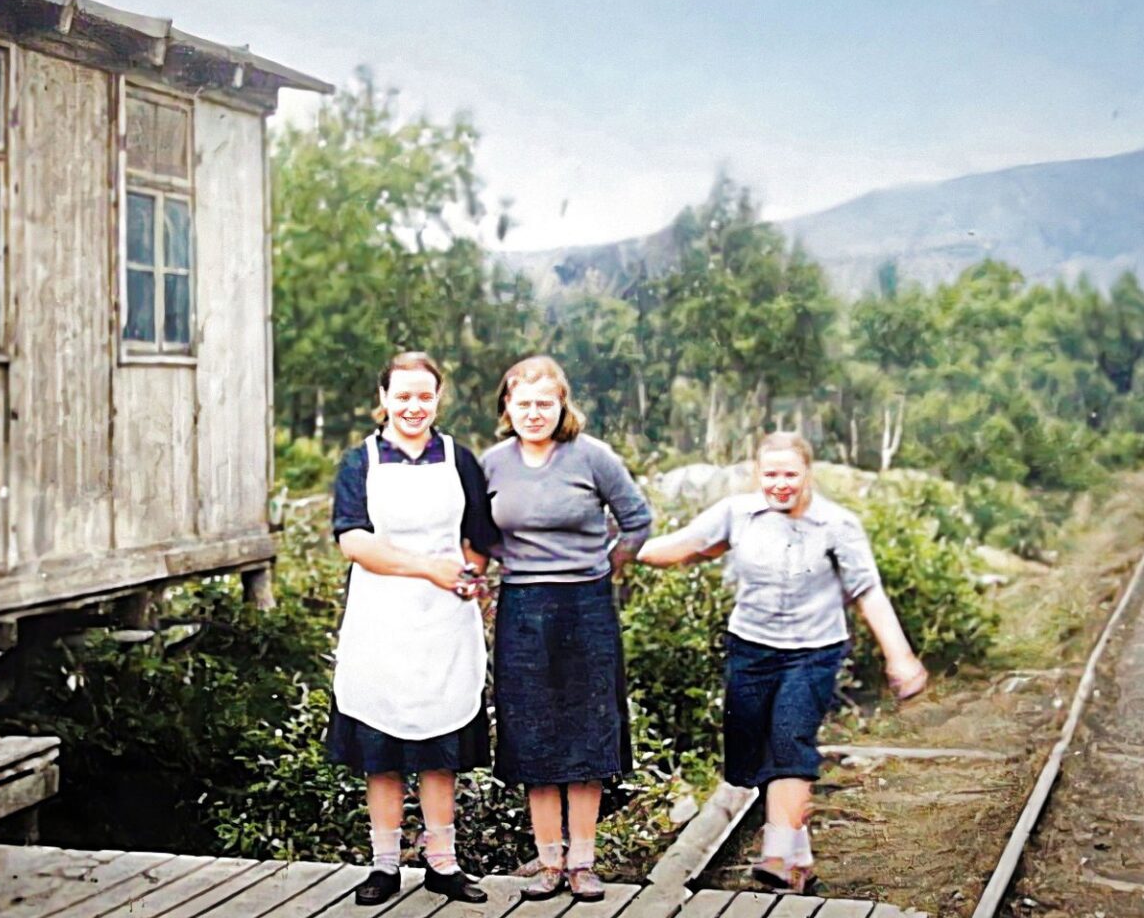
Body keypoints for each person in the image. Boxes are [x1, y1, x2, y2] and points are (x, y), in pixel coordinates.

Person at [636, 431, 929, 895]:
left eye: (790, 474)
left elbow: (867, 592)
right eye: (771, 474)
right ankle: (799, 859)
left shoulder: (837, 524)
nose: (780, 484)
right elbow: (688, 543)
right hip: (751, 648)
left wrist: (900, 656)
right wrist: (634, 549)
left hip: (814, 651)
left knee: (790, 741)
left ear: (808, 473)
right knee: (747, 757)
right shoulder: (737, 512)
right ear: (757, 473)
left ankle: (777, 854)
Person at [480, 355, 654, 902]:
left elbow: (637, 520)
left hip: (587, 607)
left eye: (544, 403)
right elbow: (477, 531)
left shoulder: (592, 456)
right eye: (523, 403)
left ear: (562, 406)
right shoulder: (491, 464)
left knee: (586, 729)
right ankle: (549, 860)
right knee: (533, 730)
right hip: (522, 609)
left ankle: (583, 861)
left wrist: (605, 565)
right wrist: (501, 568)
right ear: (507, 407)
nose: (534, 413)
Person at [328, 352, 498, 906]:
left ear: (438, 399)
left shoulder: (459, 459)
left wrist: (469, 576)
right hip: (380, 622)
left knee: (438, 747)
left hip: (444, 624)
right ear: (383, 399)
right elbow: (354, 541)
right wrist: (427, 568)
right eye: (402, 396)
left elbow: (478, 537)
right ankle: (384, 865)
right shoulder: (360, 462)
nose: (413, 407)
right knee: (381, 747)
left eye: (424, 396)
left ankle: (442, 863)